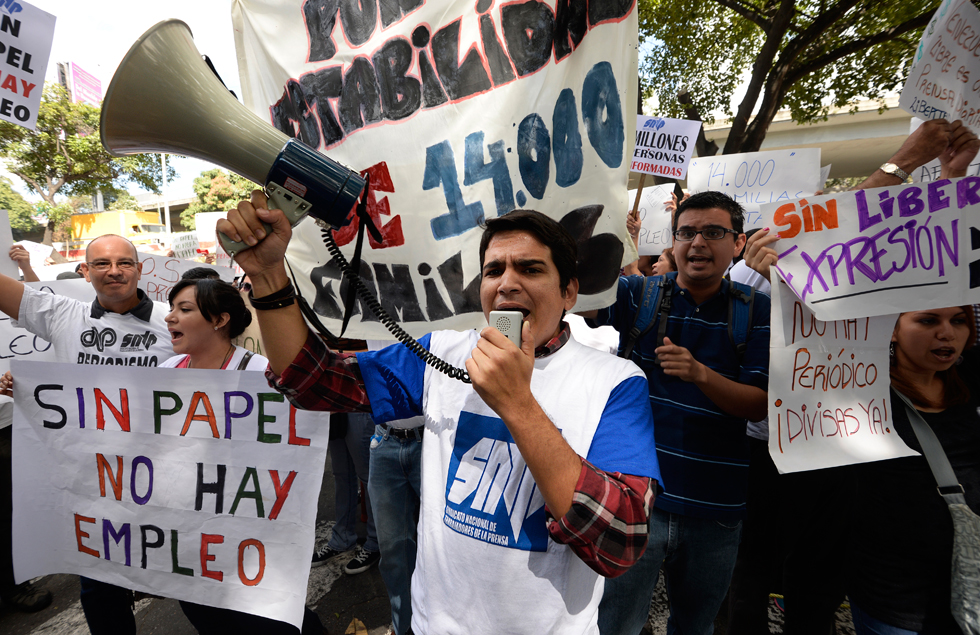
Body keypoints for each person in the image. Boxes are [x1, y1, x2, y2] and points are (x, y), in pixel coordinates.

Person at [219, 196, 661, 634]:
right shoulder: (442, 353)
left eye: (530, 268)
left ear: (568, 291)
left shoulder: (615, 381)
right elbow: (312, 380)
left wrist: (519, 405)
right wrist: (267, 275)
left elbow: (619, 542)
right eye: (493, 270)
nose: (506, 283)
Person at [585, 191, 771, 635]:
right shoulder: (639, 294)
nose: (698, 243)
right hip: (636, 500)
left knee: (696, 625)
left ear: (738, 243)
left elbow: (759, 402)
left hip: (717, 509)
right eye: (686, 232)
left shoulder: (756, 309)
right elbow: (583, 303)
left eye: (713, 232)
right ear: (673, 240)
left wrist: (700, 374)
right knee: (616, 624)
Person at [0, 234, 173, 633]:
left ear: (139, 268)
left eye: (124, 262)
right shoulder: (63, 315)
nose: (114, 271)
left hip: (163, 483)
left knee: (189, 584)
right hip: (92, 487)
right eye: (102, 264)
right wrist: (30, 388)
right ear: (86, 271)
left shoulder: (174, 319)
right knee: (99, 591)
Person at [156, 277, 326, 634]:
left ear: (219, 320)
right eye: (171, 308)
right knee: (206, 614)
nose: (170, 318)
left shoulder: (260, 373)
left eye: (184, 310)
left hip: (249, 529)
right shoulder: (166, 373)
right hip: (189, 531)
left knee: (267, 614)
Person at [849, 306, 979, 635]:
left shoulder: (973, 380)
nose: (947, 332)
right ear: (890, 329)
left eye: (958, 321)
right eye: (929, 320)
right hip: (898, 604)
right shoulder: (859, 392)